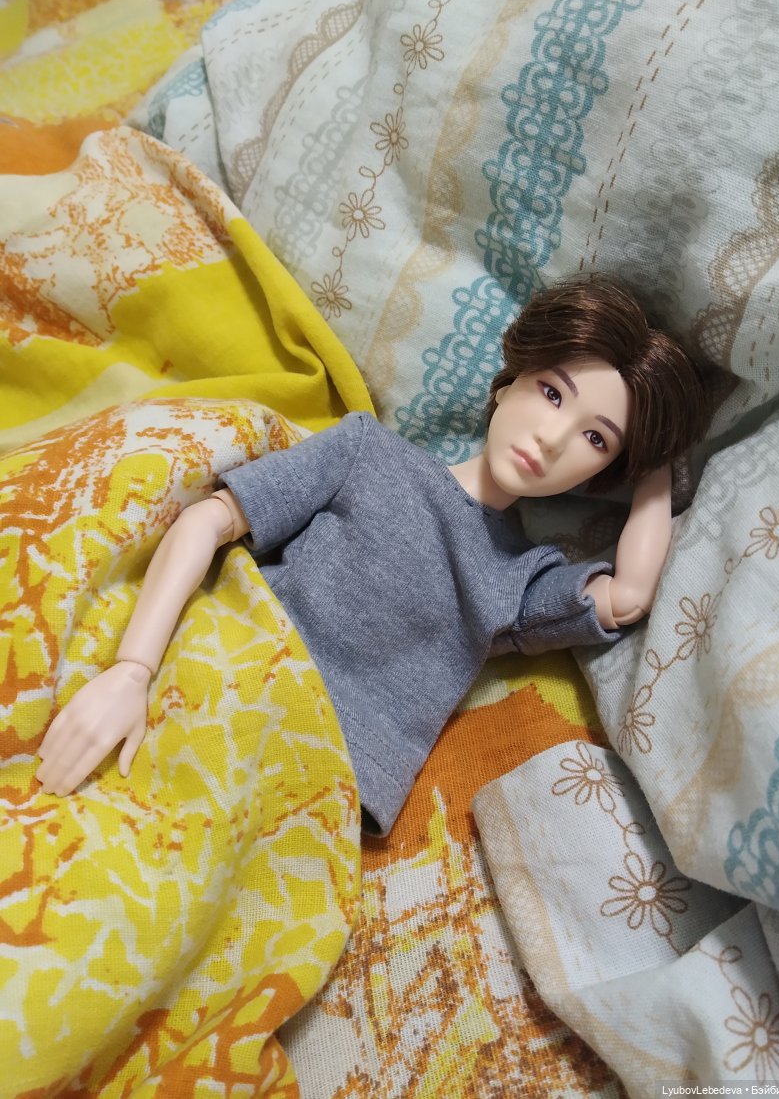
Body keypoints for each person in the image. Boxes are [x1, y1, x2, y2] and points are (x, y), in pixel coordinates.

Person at [36, 275, 710, 834]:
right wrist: (132, 670)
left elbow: (628, 596)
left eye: (596, 439)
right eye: (552, 392)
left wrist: (653, 463)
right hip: (220, 677)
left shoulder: (519, 577)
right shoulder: (367, 451)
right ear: (510, 382)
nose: (555, 436)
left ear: (601, 474)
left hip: (316, 790)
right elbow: (209, 520)